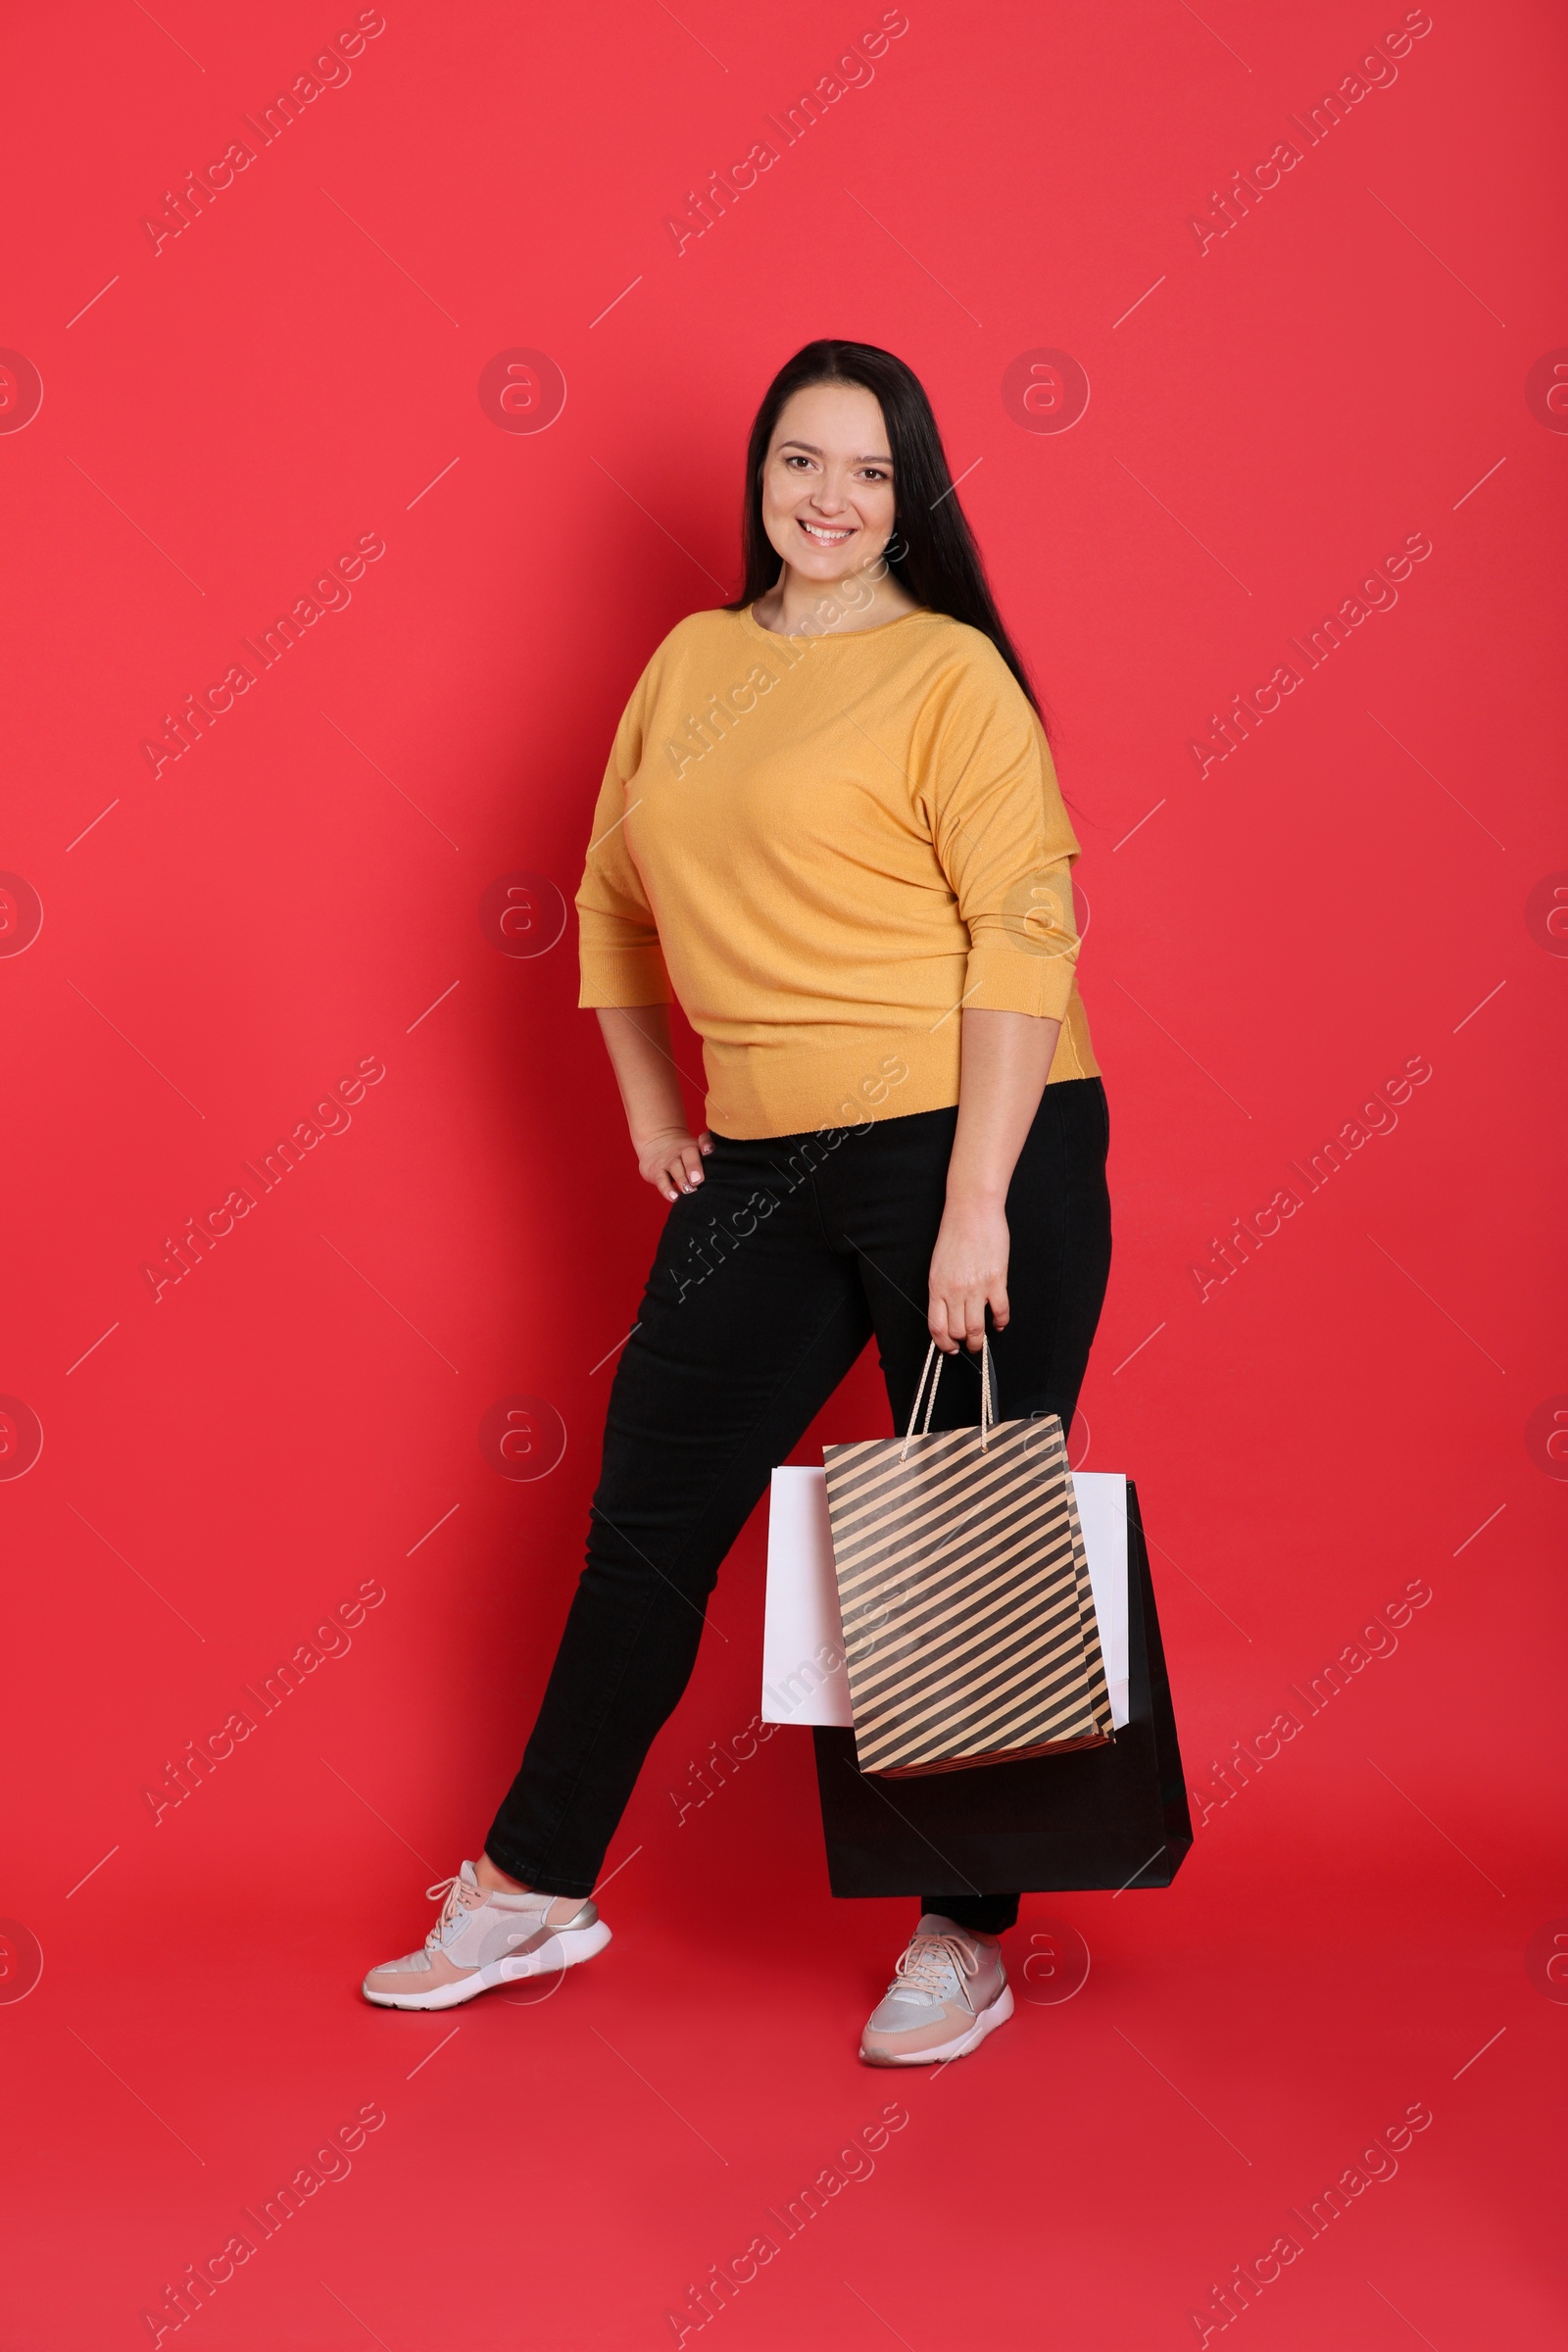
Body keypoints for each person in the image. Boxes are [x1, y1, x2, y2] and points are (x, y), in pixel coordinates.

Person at [362, 339, 1110, 2065]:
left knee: (960, 1536)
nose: (828, 500)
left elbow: (1026, 934)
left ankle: (963, 1934)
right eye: (798, 462)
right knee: (648, 1522)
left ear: (909, 492)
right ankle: (532, 1885)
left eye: (864, 469)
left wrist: (980, 1203)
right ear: (761, 479)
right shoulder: (693, 660)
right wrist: (652, 1108)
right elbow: (608, 895)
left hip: (973, 1134)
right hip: (764, 1158)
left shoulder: (953, 678)